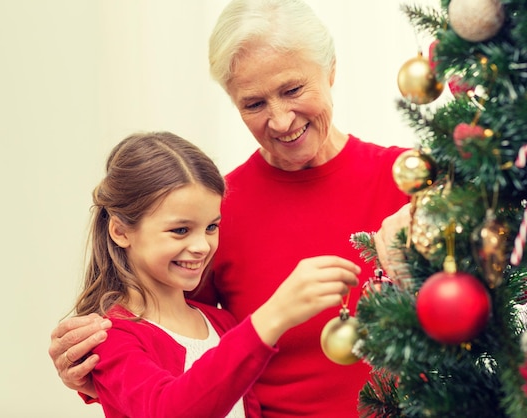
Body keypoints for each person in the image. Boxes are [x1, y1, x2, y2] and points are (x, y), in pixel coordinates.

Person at [49, 1, 411, 416]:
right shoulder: (214, 212)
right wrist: (90, 369)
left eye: (293, 90)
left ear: (330, 70)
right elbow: (177, 341)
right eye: (253, 104)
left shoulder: (413, 182)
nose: (279, 120)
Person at [69, 131, 360, 418]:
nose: (201, 246)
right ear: (121, 232)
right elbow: (168, 410)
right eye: (180, 230)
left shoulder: (222, 323)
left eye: (211, 227)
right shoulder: (110, 337)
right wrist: (273, 316)